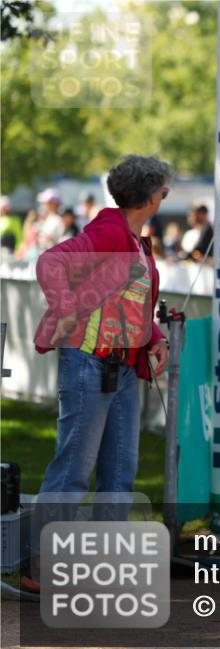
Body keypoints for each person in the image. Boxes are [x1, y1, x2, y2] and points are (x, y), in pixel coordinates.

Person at [24, 155, 172, 592]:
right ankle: (39, 569)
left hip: (120, 365)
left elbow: (127, 298)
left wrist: (153, 335)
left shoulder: (129, 237)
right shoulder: (110, 231)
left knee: (119, 472)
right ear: (149, 197)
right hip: (91, 361)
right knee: (74, 468)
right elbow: (50, 262)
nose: (166, 197)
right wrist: (67, 311)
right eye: (164, 191)